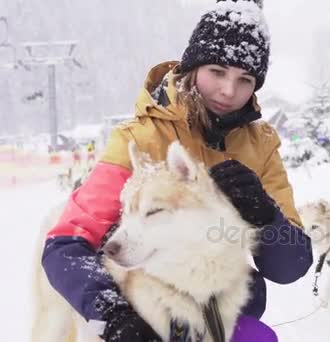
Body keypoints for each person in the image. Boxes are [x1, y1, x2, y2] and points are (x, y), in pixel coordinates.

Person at [41, 0, 313, 341]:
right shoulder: (141, 139)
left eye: (245, 79)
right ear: (193, 66)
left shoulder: (260, 147)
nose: (229, 91)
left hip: (219, 311)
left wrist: (266, 215)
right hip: (140, 308)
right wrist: (114, 314)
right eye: (217, 71)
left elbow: (291, 267)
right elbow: (65, 246)